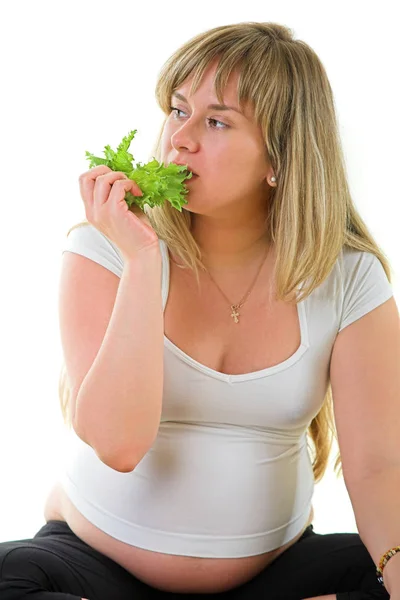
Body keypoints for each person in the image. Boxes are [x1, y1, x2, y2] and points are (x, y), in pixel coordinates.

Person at [0, 21, 398, 600]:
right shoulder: (101, 250)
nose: (179, 139)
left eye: (216, 121)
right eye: (178, 109)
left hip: (276, 575)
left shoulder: (349, 277)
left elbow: (378, 469)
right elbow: (117, 444)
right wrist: (142, 261)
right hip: (91, 565)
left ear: (280, 159)